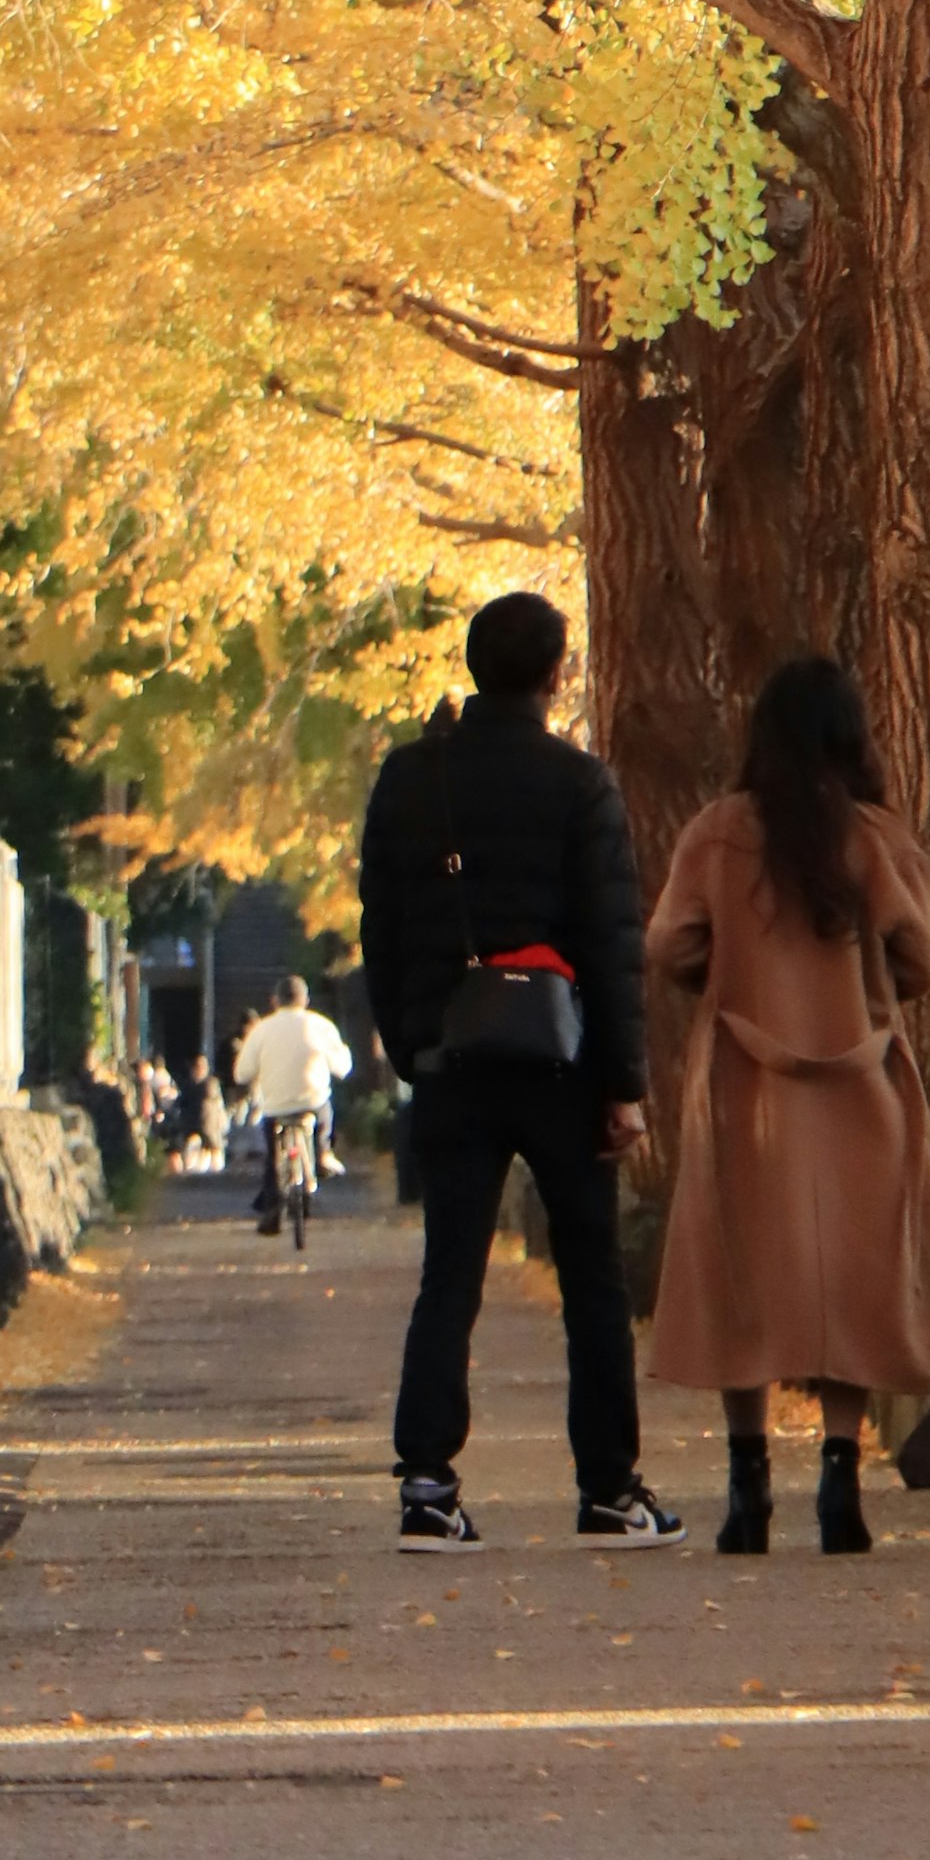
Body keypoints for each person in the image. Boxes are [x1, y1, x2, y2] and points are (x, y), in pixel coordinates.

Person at [359, 590, 682, 1549]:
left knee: (448, 1274)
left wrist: (407, 1041)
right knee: (593, 1280)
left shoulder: (413, 780)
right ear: (556, 673)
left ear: (470, 665)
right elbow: (612, 939)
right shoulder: (581, 784)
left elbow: (382, 926)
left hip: (452, 1058)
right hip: (562, 1061)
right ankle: (610, 1491)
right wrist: (625, 1083)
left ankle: (427, 1483)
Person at [642, 654, 930, 1557]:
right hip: (860, 1082)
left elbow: (671, 942)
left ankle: (747, 1479)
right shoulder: (875, 838)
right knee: (856, 1276)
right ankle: (839, 1474)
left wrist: (722, 973)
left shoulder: (717, 836)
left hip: (743, 1088)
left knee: (743, 1271)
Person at [233, 974, 354, 1234]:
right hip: (311, 1101)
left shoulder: (261, 1029)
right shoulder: (320, 1026)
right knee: (324, 1106)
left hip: (275, 1107)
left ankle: (272, 1208)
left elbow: (241, 1073)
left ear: (275, 1000)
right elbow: (342, 1068)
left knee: (272, 1158)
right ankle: (322, 1153)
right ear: (305, 1000)